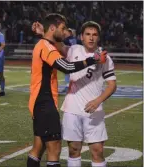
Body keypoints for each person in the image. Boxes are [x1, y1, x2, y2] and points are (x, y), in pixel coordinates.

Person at [27, 13, 107, 167]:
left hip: (39, 101)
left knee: (39, 146)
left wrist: (42, 33)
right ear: (52, 28)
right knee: (54, 147)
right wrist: (93, 59)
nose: (65, 32)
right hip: (44, 102)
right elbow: (67, 67)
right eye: (62, 28)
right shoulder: (47, 47)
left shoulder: (44, 44)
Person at [60, 21, 117, 167]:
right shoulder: (73, 50)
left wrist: (98, 101)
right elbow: (56, 46)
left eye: (94, 35)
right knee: (73, 150)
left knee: (97, 151)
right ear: (81, 37)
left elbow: (112, 86)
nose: (91, 38)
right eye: (88, 34)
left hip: (94, 111)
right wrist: (42, 33)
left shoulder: (105, 58)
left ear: (98, 38)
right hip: (72, 109)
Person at [61, 28, 78, 93]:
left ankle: (68, 87)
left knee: (67, 72)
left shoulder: (66, 40)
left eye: (67, 32)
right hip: (75, 57)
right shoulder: (74, 39)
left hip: (69, 57)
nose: (65, 32)